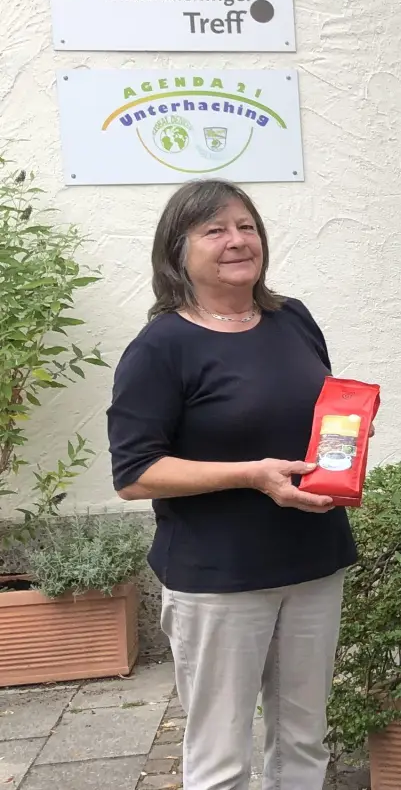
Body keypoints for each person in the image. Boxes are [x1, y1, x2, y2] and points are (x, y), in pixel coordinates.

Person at [107, 179, 360, 790]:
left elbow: (319, 412)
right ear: (178, 251)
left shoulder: (291, 318)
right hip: (219, 578)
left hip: (313, 559)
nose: (237, 240)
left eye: (246, 226)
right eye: (214, 230)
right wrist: (252, 476)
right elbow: (135, 473)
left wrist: (344, 449)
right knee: (220, 757)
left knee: (304, 741)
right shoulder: (161, 347)